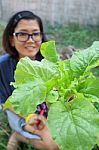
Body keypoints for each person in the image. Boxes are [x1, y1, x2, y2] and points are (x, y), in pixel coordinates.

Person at [0, 10, 59, 150]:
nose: (30, 40)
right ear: (11, 40)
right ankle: (18, 135)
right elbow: (6, 102)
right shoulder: (3, 65)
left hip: (46, 113)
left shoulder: (48, 62)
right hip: (19, 114)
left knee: (63, 140)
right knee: (52, 145)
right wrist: (29, 117)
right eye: (22, 34)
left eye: (35, 33)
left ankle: (19, 136)